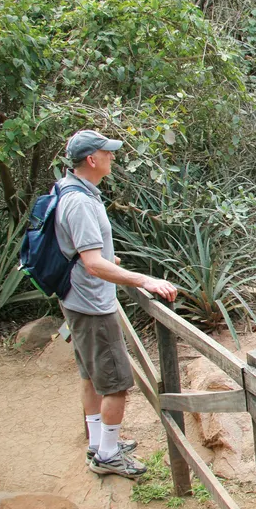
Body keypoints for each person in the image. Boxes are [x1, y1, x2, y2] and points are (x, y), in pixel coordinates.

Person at [55, 129, 178, 478]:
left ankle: (99, 443)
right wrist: (145, 280)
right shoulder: (79, 201)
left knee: (91, 376)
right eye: (107, 153)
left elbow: (85, 254)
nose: (113, 157)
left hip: (76, 298)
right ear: (92, 160)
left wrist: (109, 261)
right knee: (116, 382)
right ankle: (108, 455)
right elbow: (92, 263)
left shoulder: (69, 189)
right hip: (92, 304)